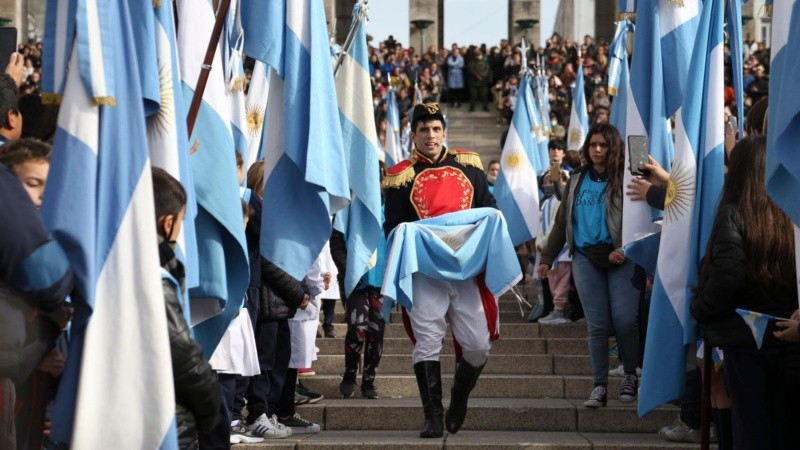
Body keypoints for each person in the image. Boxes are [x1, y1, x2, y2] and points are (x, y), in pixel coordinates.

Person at [383, 102, 496, 438]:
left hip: (466, 270)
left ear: (444, 132)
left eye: (435, 129)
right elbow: (393, 227)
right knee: (427, 341)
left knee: (478, 346)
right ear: (413, 135)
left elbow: (488, 210)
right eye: (423, 130)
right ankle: (432, 415)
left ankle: (459, 396)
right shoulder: (400, 176)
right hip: (425, 273)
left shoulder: (470, 166)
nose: (430, 136)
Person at [691, 136, 800, 450]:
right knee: (781, 424)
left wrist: (700, 306)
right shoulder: (789, 215)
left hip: (745, 336)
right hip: (786, 332)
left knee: (751, 425)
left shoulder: (734, 214)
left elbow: (728, 273)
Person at [538, 123, 640, 408]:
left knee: (624, 320)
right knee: (596, 325)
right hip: (584, 257)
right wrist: (547, 258)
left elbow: (639, 218)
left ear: (614, 148)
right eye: (593, 145)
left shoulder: (626, 178)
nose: (597, 150)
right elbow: (561, 223)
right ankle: (599, 385)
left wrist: (624, 248)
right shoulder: (576, 180)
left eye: (603, 145)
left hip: (621, 258)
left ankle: (630, 374)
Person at [151, 168, 222, 449]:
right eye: (181, 221)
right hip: (164, 423)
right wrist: (209, 413)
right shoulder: (155, 278)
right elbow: (184, 359)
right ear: (167, 223)